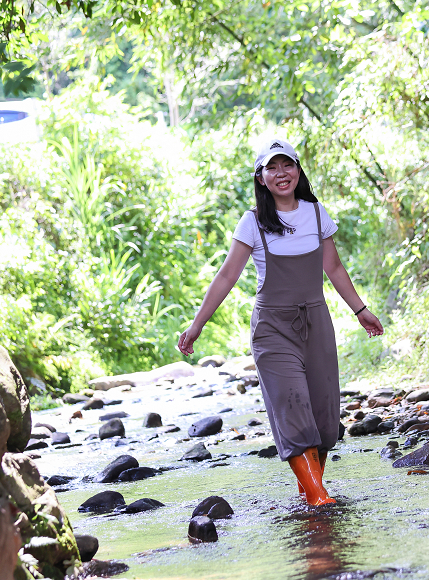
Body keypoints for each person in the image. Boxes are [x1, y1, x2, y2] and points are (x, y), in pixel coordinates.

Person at [177, 138, 384, 506]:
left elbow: (333, 267)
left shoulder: (317, 214)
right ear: (261, 178)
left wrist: (360, 309)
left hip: (316, 323)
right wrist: (197, 325)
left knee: (322, 415)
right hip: (273, 329)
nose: (280, 173)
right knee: (291, 408)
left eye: (286, 165)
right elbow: (226, 276)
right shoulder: (252, 223)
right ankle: (320, 496)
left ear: (298, 170)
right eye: (271, 168)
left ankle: (309, 491)